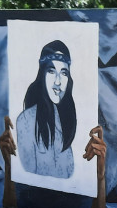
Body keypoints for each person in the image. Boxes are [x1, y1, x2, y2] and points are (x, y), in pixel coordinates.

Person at [14, 40, 78, 179]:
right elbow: (27, 173)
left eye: (64, 73)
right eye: (51, 71)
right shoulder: (26, 120)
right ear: (42, 74)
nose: (58, 81)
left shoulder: (64, 118)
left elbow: (69, 172)